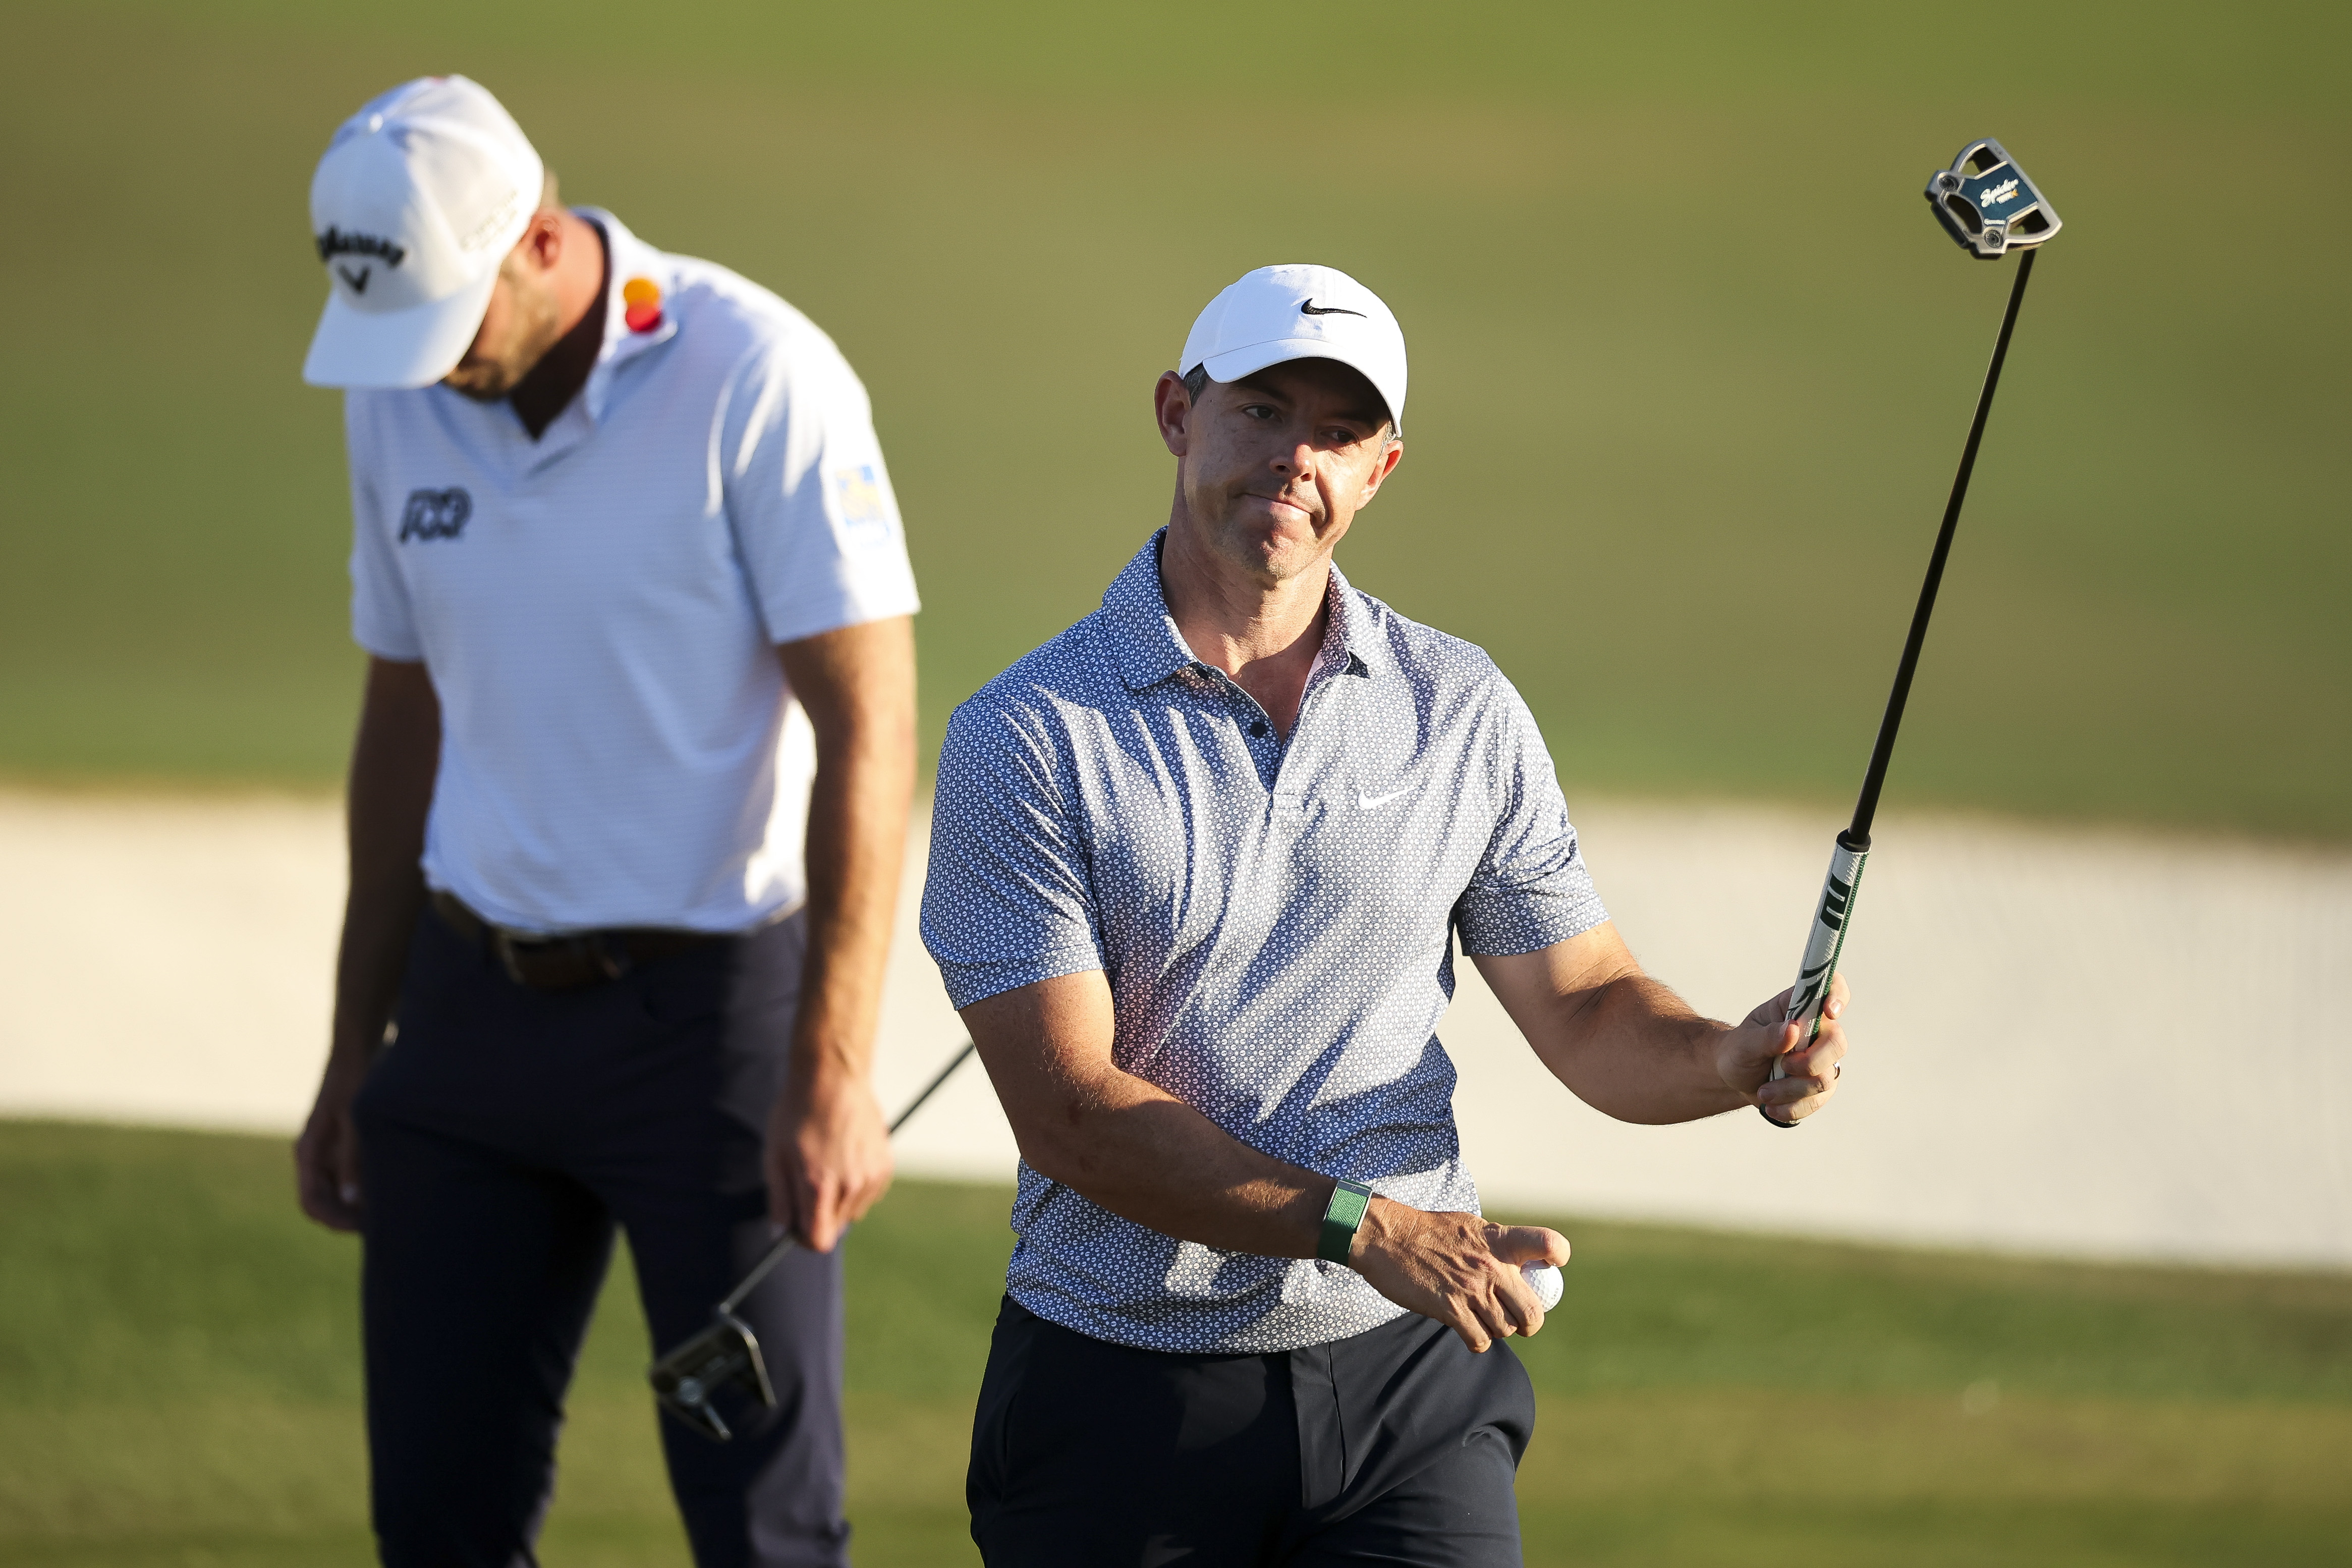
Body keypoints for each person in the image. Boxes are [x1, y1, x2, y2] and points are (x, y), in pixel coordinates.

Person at [920, 263, 1853, 1565]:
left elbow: (1583, 1002)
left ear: (1382, 471)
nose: (1295, 458)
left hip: (1411, 1389)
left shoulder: (1460, 709)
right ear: (1178, 414)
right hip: (1126, 1391)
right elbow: (1073, 1115)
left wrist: (1723, 1058)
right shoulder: (1026, 737)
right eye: (1262, 409)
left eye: (1340, 432)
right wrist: (1367, 1228)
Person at [289, 77, 920, 1568]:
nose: (424, 368)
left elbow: (872, 723)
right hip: (464, 1026)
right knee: (438, 1525)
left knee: (763, 1529)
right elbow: (405, 716)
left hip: (708, 1036)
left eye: (446, 319)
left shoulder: (757, 374)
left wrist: (832, 1066)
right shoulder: (399, 391)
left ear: (535, 238)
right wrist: (350, 1047)